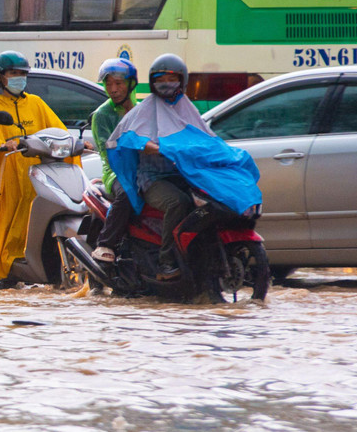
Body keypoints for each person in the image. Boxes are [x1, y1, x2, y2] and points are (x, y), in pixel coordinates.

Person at [105, 53, 261, 281]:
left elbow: (204, 138)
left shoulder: (187, 109)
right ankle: (166, 262)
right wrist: (158, 148)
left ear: (183, 81)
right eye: (160, 80)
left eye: (172, 79)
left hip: (182, 175)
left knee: (213, 197)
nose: (166, 84)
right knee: (179, 203)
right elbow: (131, 139)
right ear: (152, 82)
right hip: (152, 179)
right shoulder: (146, 109)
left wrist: (224, 154)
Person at [0, 51, 66, 288]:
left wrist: (75, 142)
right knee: (2, 223)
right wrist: (6, 143)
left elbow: (57, 128)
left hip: (38, 172)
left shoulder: (36, 103)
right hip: (10, 174)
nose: (19, 78)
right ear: (1, 77)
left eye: (22, 74)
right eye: (14, 73)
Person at [88, 58, 139, 263]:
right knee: (127, 191)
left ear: (130, 84)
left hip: (146, 170)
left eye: (118, 83)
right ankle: (106, 244)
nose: (113, 89)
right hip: (116, 172)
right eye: (109, 84)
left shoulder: (142, 110)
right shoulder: (102, 115)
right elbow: (105, 152)